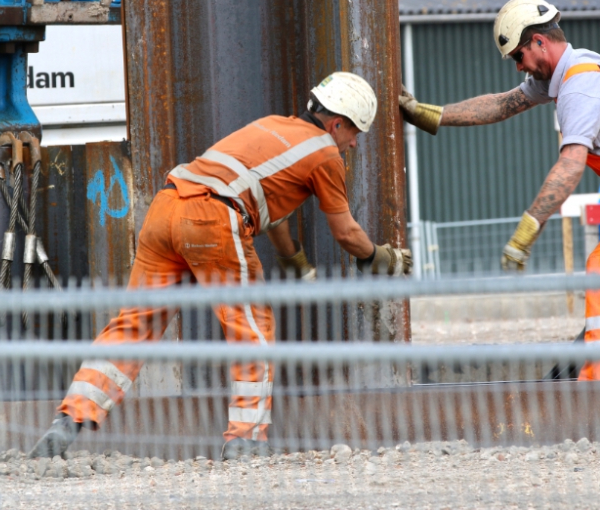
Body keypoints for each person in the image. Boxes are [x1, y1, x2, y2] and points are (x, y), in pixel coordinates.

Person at [31, 72, 412, 460]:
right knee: (251, 328)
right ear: (337, 123)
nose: (353, 143)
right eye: (355, 133)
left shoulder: (273, 128)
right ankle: (246, 440)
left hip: (166, 209)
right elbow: (346, 232)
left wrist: (293, 260)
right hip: (211, 218)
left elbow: (270, 210)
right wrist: (381, 258)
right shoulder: (325, 153)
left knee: (135, 323)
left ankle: (70, 419)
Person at [399, 0, 600, 381]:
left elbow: (571, 164)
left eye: (519, 55)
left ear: (539, 42)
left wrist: (527, 230)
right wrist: (430, 114)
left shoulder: (579, 85)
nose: (519, 66)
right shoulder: (564, 73)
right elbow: (503, 104)